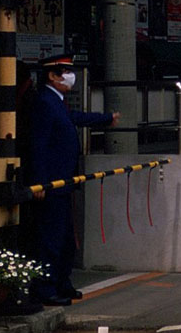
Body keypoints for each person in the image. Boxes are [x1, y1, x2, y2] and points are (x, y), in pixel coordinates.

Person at [28, 55, 118, 307]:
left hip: (64, 182)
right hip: (52, 184)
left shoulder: (57, 102)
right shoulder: (45, 102)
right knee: (51, 238)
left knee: (66, 238)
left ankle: (62, 283)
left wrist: (105, 118)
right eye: (65, 71)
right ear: (52, 76)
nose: (70, 76)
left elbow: (75, 118)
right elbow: (39, 145)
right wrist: (40, 182)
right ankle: (46, 288)